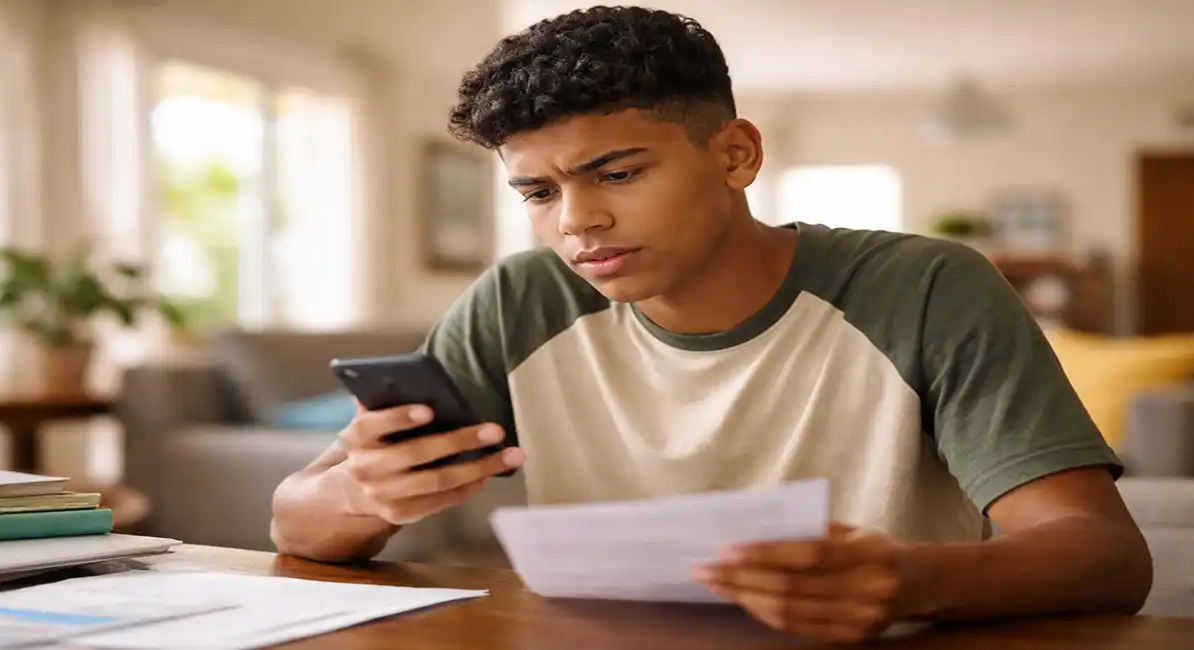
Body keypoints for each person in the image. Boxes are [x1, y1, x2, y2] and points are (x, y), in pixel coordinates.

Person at [271, 5, 1152, 643]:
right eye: (539, 192)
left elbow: (1104, 557)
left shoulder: (925, 286)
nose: (577, 221)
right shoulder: (520, 301)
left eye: (616, 174)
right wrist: (362, 493)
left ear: (737, 155)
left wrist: (912, 579)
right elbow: (295, 522)